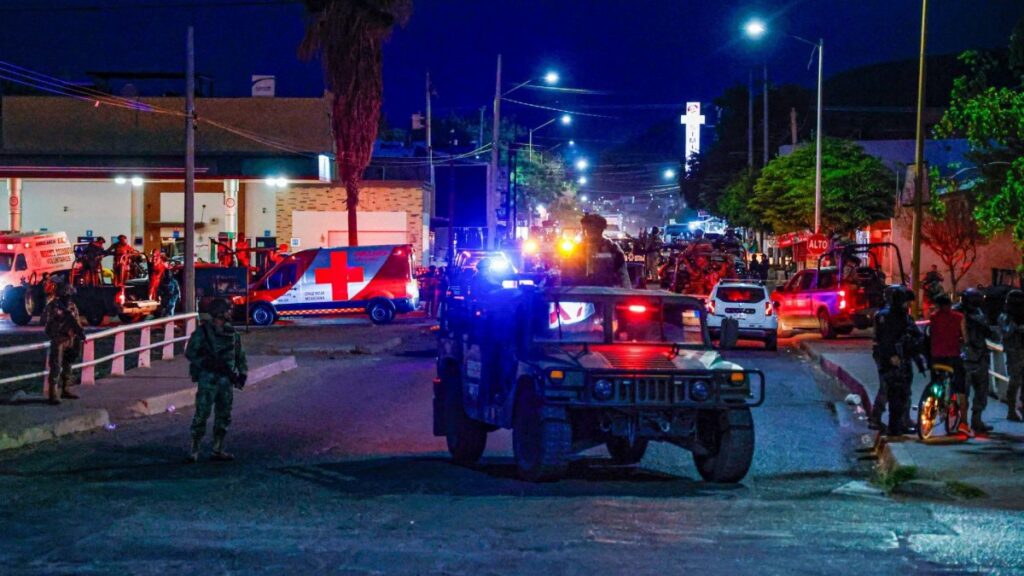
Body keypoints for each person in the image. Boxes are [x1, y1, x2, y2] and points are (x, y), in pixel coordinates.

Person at [185, 299, 248, 463]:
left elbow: (239, 355)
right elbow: (190, 352)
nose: (230, 313)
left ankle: (218, 448)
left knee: (224, 415)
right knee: (202, 414)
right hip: (208, 379)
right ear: (220, 313)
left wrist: (242, 374)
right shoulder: (203, 332)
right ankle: (194, 449)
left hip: (226, 380)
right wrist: (205, 363)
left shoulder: (232, 333)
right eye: (227, 310)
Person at [872, 285, 924, 436]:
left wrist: (918, 357)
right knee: (888, 388)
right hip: (888, 357)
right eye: (905, 302)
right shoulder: (885, 316)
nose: (907, 305)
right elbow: (884, 340)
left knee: (904, 389)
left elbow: (914, 337)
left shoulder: (905, 317)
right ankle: (878, 418)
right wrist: (890, 356)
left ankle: (904, 419)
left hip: (903, 357)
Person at [928, 293, 973, 437]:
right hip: (953, 357)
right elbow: (965, 338)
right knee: (961, 389)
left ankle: (935, 401)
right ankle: (964, 424)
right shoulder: (959, 317)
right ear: (949, 304)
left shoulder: (933, 317)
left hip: (936, 357)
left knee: (936, 381)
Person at [955, 287, 995, 433]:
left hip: (978, 356)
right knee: (962, 392)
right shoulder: (957, 312)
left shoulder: (978, 314)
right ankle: (961, 421)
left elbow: (989, 333)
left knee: (981, 391)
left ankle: (976, 420)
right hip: (962, 356)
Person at [41, 283, 86, 405]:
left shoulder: (72, 306)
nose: (69, 297)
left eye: (70, 295)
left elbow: (76, 321)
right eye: (67, 295)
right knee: (56, 366)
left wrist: (79, 333)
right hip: (59, 338)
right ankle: (53, 393)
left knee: (68, 364)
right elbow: (44, 320)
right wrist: (58, 317)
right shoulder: (52, 306)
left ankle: (65, 389)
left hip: (71, 338)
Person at [561, 214, 630, 288]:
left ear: (601, 229)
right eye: (587, 230)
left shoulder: (612, 248)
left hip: (606, 293)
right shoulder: (577, 248)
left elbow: (623, 274)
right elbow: (567, 272)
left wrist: (626, 292)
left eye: (594, 230)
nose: (591, 233)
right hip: (582, 292)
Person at [998, 289, 1024, 422]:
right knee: (1014, 382)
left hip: (1017, 351)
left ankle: (1018, 408)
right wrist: (1016, 326)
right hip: (1014, 352)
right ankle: (1011, 410)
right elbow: (1005, 333)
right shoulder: (1005, 317)